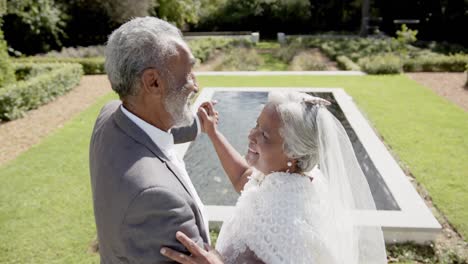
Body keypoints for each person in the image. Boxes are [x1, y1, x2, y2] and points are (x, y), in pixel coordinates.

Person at [161, 91, 388, 263]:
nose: (251, 134)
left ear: (294, 152)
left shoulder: (291, 224)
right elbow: (243, 177)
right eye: (256, 125)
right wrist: (212, 132)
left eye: (265, 135)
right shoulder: (292, 178)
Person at [89, 17, 217, 263]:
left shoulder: (109, 117)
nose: (195, 84)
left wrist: (199, 125)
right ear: (153, 82)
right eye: (188, 72)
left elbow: (160, 130)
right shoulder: (158, 199)